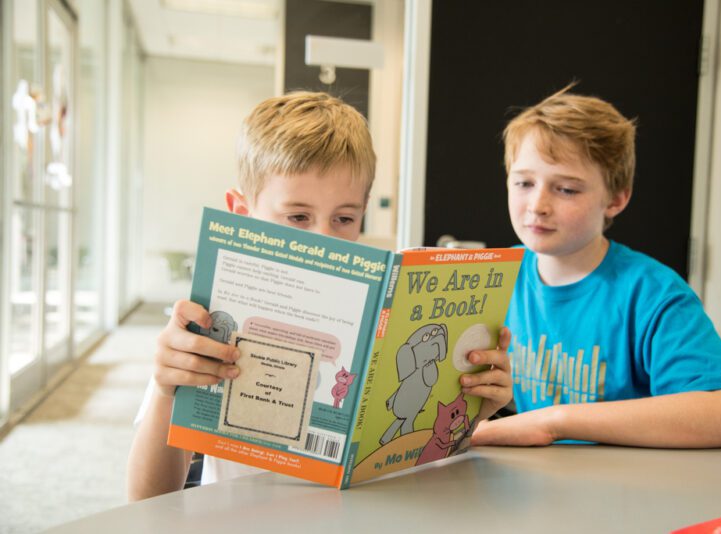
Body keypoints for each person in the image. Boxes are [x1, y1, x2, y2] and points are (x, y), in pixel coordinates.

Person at [127, 91, 513, 501]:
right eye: (298, 217)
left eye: (343, 218)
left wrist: (472, 408)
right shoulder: (210, 319)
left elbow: (419, 468)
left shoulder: (379, 313)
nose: (323, 239)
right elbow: (145, 499)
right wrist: (166, 389)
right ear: (241, 213)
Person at [470, 86, 721, 449]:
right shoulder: (494, 277)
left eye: (567, 190)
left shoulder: (653, 293)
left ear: (616, 198)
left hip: (627, 494)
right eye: (524, 183)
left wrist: (554, 421)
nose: (537, 205)